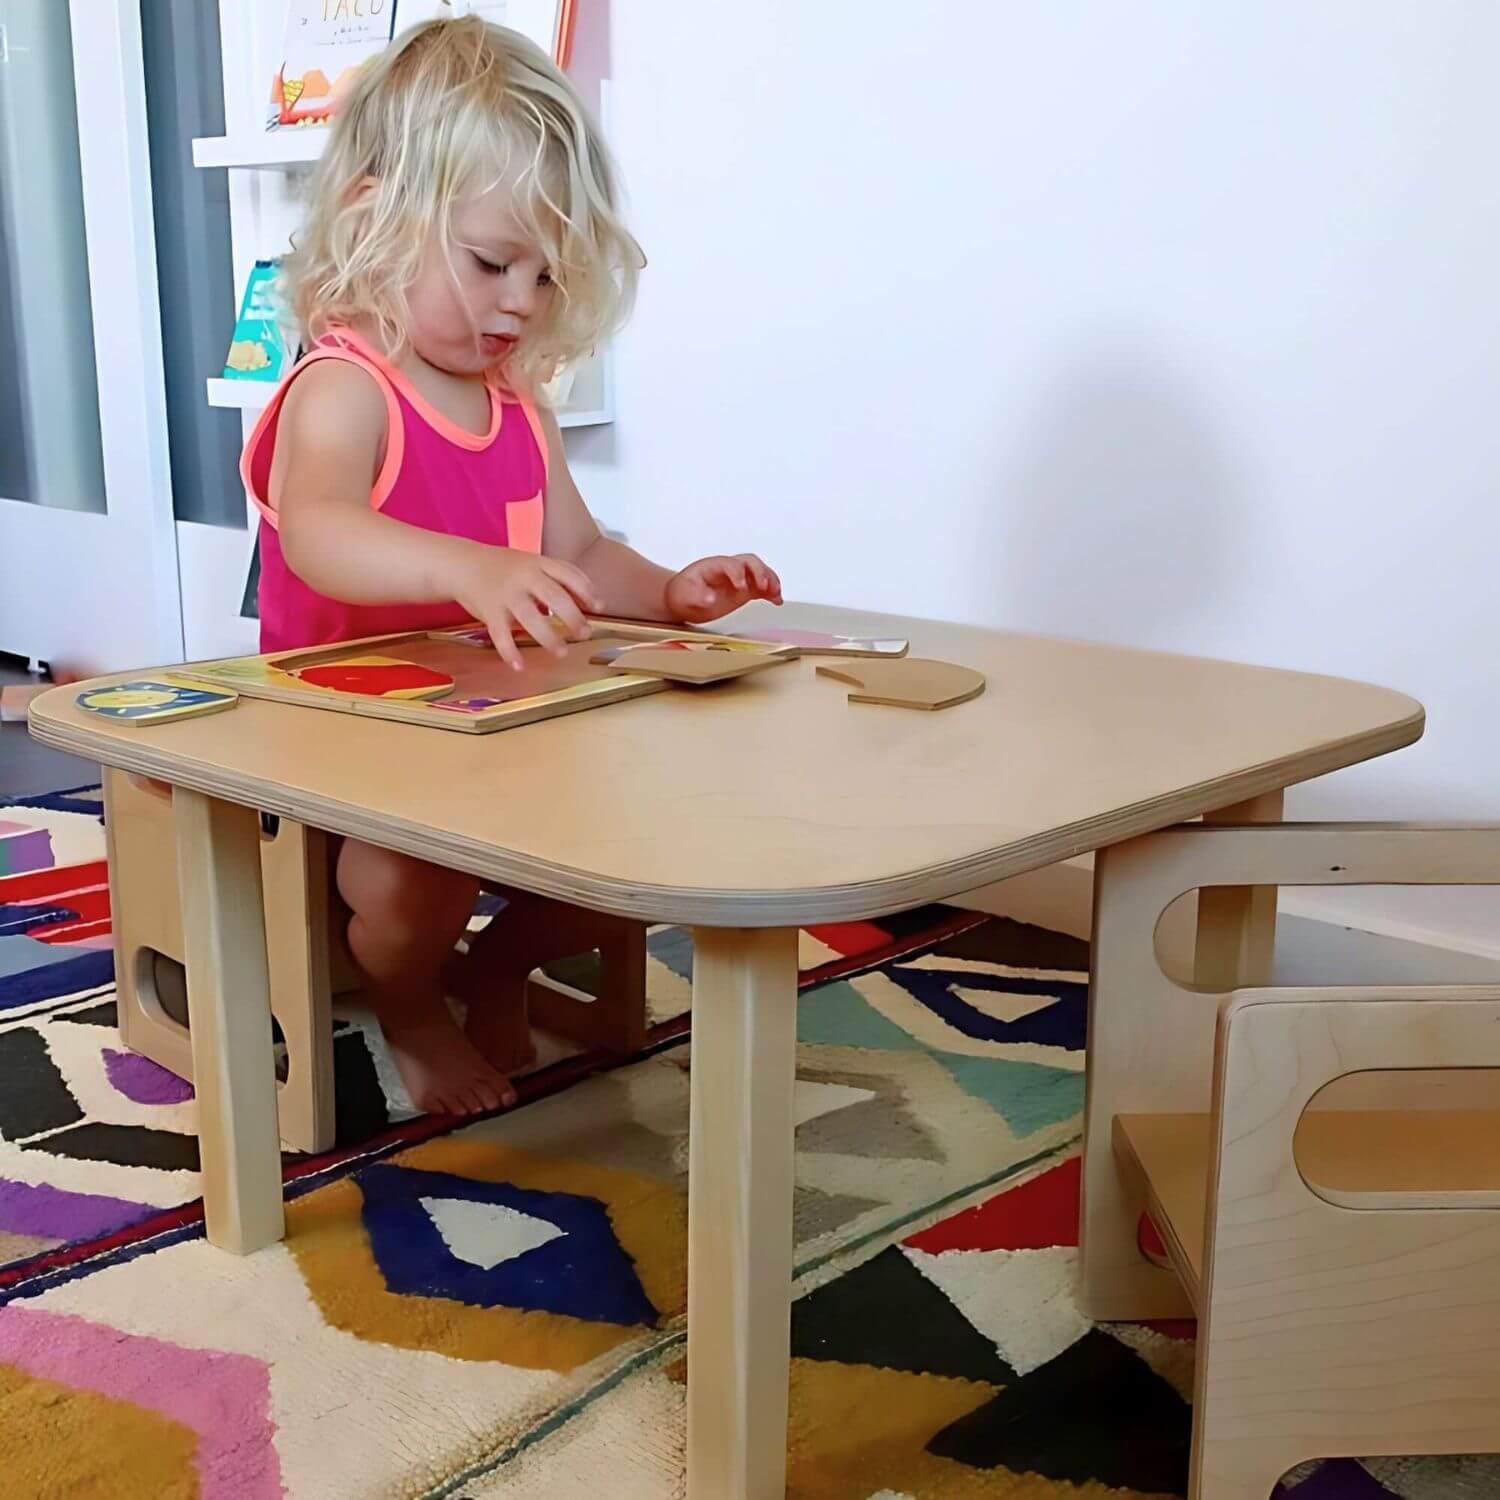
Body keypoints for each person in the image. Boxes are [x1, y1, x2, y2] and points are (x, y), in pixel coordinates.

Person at [242, 15, 781, 1116]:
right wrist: (474, 569)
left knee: (650, 836)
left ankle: (496, 965)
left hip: (495, 721)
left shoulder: (515, 403)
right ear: (372, 217)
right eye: (493, 263)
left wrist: (673, 590)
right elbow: (320, 530)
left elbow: (579, 552)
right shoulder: (343, 385)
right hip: (347, 736)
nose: (520, 304)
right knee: (406, 881)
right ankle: (411, 1007)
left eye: (544, 276)